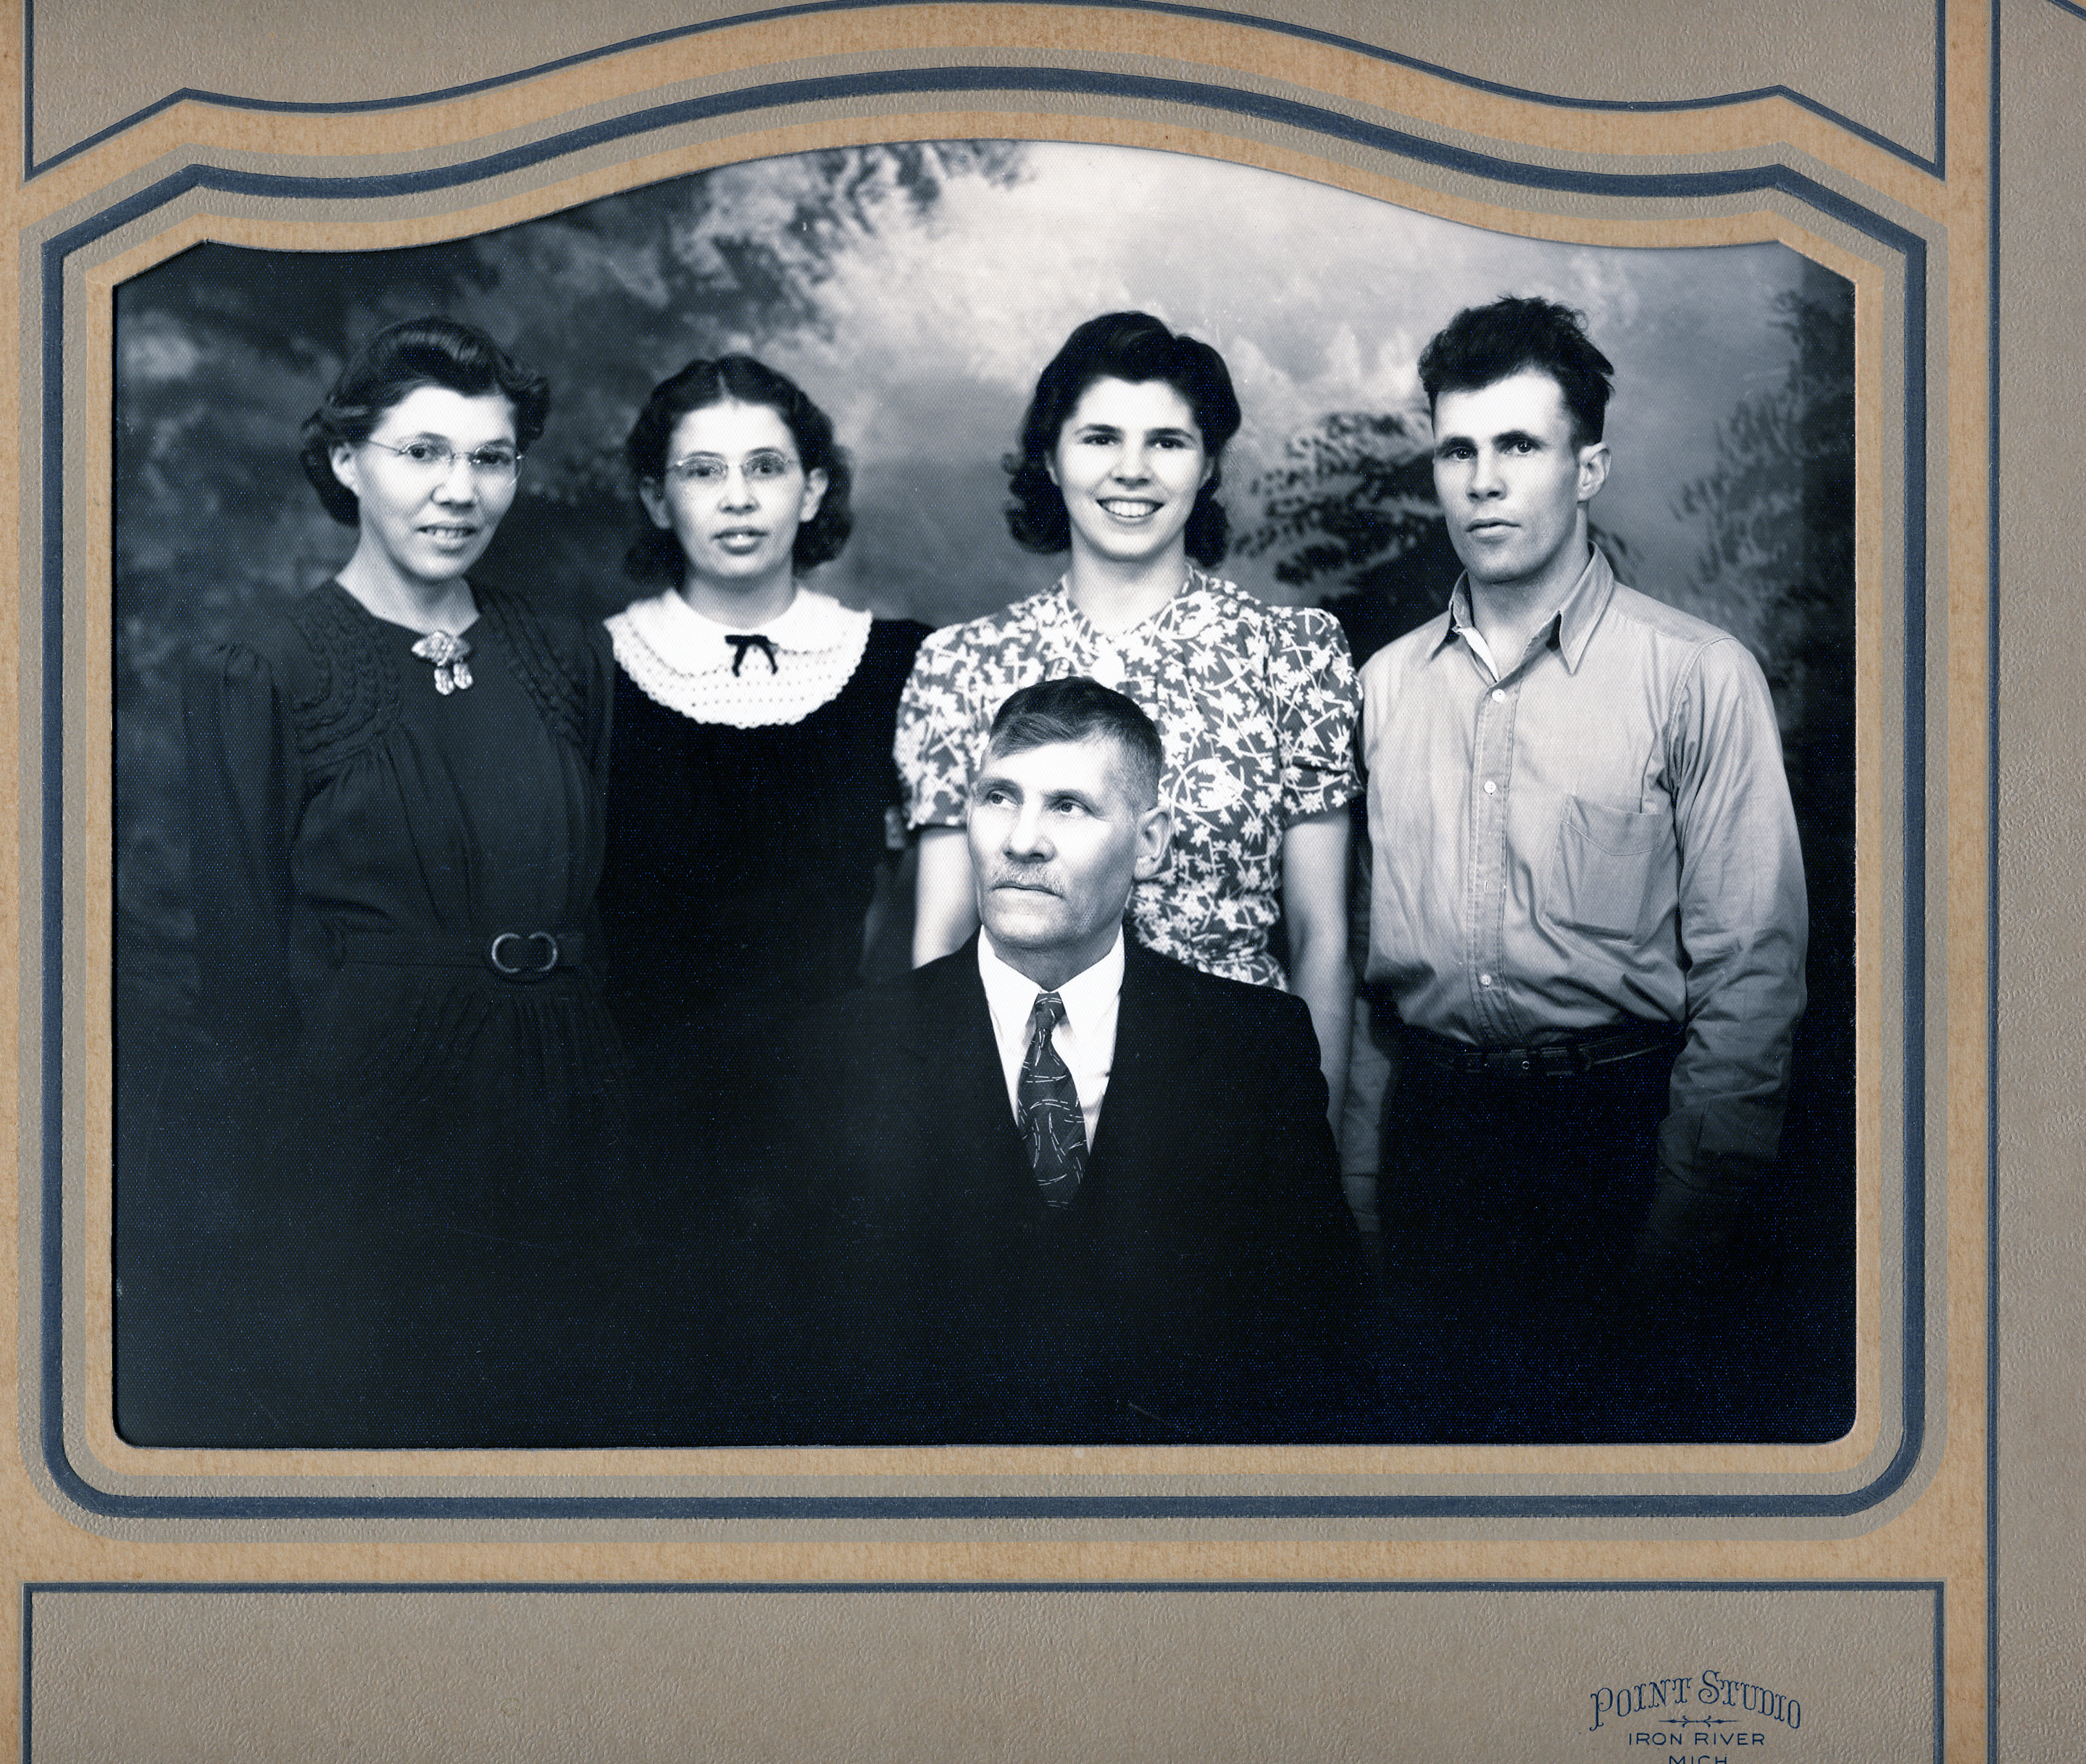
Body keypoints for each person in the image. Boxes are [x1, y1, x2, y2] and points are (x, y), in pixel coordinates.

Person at [151, 316, 625, 1447]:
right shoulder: (265, 666)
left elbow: (592, 893)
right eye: (423, 452)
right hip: (368, 1114)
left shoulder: (566, 654)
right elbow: (241, 964)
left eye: (491, 456)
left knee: (572, 1425)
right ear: (345, 459)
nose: (459, 489)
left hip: (568, 1094)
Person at [1356, 296, 1808, 1422]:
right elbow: (1367, 978)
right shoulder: (1382, 688)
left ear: (1589, 465)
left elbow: (1751, 978)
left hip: (1616, 1143)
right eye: (1456, 448)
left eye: (1519, 445)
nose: (1482, 480)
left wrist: (1681, 1221)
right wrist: (1360, 1182)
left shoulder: (1697, 676)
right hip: (1433, 1143)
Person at [783, 679, 1369, 1445]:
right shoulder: (842, 1051)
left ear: (1150, 843)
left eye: (1069, 805)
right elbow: (798, 1367)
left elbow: (1321, 1351)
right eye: (999, 797)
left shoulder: (1253, 1048)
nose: (1022, 839)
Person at [894, 312, 1360, 1127]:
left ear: (1209, 463)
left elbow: (1321, 935)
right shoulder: (962, 664)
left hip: (1234, 1096)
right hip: (1015, 1101)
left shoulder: (1294, 653)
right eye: (1100, 437)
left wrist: (1307, 1137)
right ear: (1051, 457)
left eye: (1169, 443)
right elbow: (941, 934)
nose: (1132, 471)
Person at [598, 356, 927, 1216]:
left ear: (813, 489)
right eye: (704, 471)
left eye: (767, 468)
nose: (737, 498)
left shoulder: (900, 664)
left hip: (839, 1124)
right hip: (631, 1130)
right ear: (656, 498)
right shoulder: (588, 671)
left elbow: (935, 912)